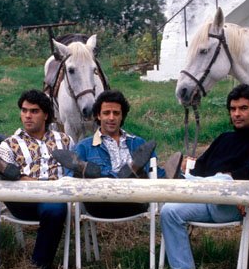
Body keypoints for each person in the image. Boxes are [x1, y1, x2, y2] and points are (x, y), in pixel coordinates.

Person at [160, 84, 249, 269]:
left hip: (234, 204)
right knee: (169, 211)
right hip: (205, 198)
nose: (237, 114)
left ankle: (178, 182)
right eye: (233, 109)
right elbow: (200, 167)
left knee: (224, 178)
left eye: (243, 108)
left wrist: (226, 178)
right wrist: (192, 167)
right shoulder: (224, 138)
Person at [0, 89, 71, 269]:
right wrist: (22, 179)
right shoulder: (10, 143)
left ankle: (38, 267)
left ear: (46, 115)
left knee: (55, 207)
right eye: (24, 110)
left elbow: (72, 172)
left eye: (34, 111)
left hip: (55, 197)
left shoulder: (65, 140)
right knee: (4, 172)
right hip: (23, 199)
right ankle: (6, 170)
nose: (27, 115)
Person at [51, 89, 177, 218]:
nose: (111, 118)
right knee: (86, 175)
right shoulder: (84, 146)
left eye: (116, 113)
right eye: (106, 113)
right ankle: (109, 172)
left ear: (122, 116)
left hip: (134, 202)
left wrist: (175, 174)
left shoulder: (139, 143)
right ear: (98, 116)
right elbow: (70, 178)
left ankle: (128, 172)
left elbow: (155, 172)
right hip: (99, 203)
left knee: (143, 174)